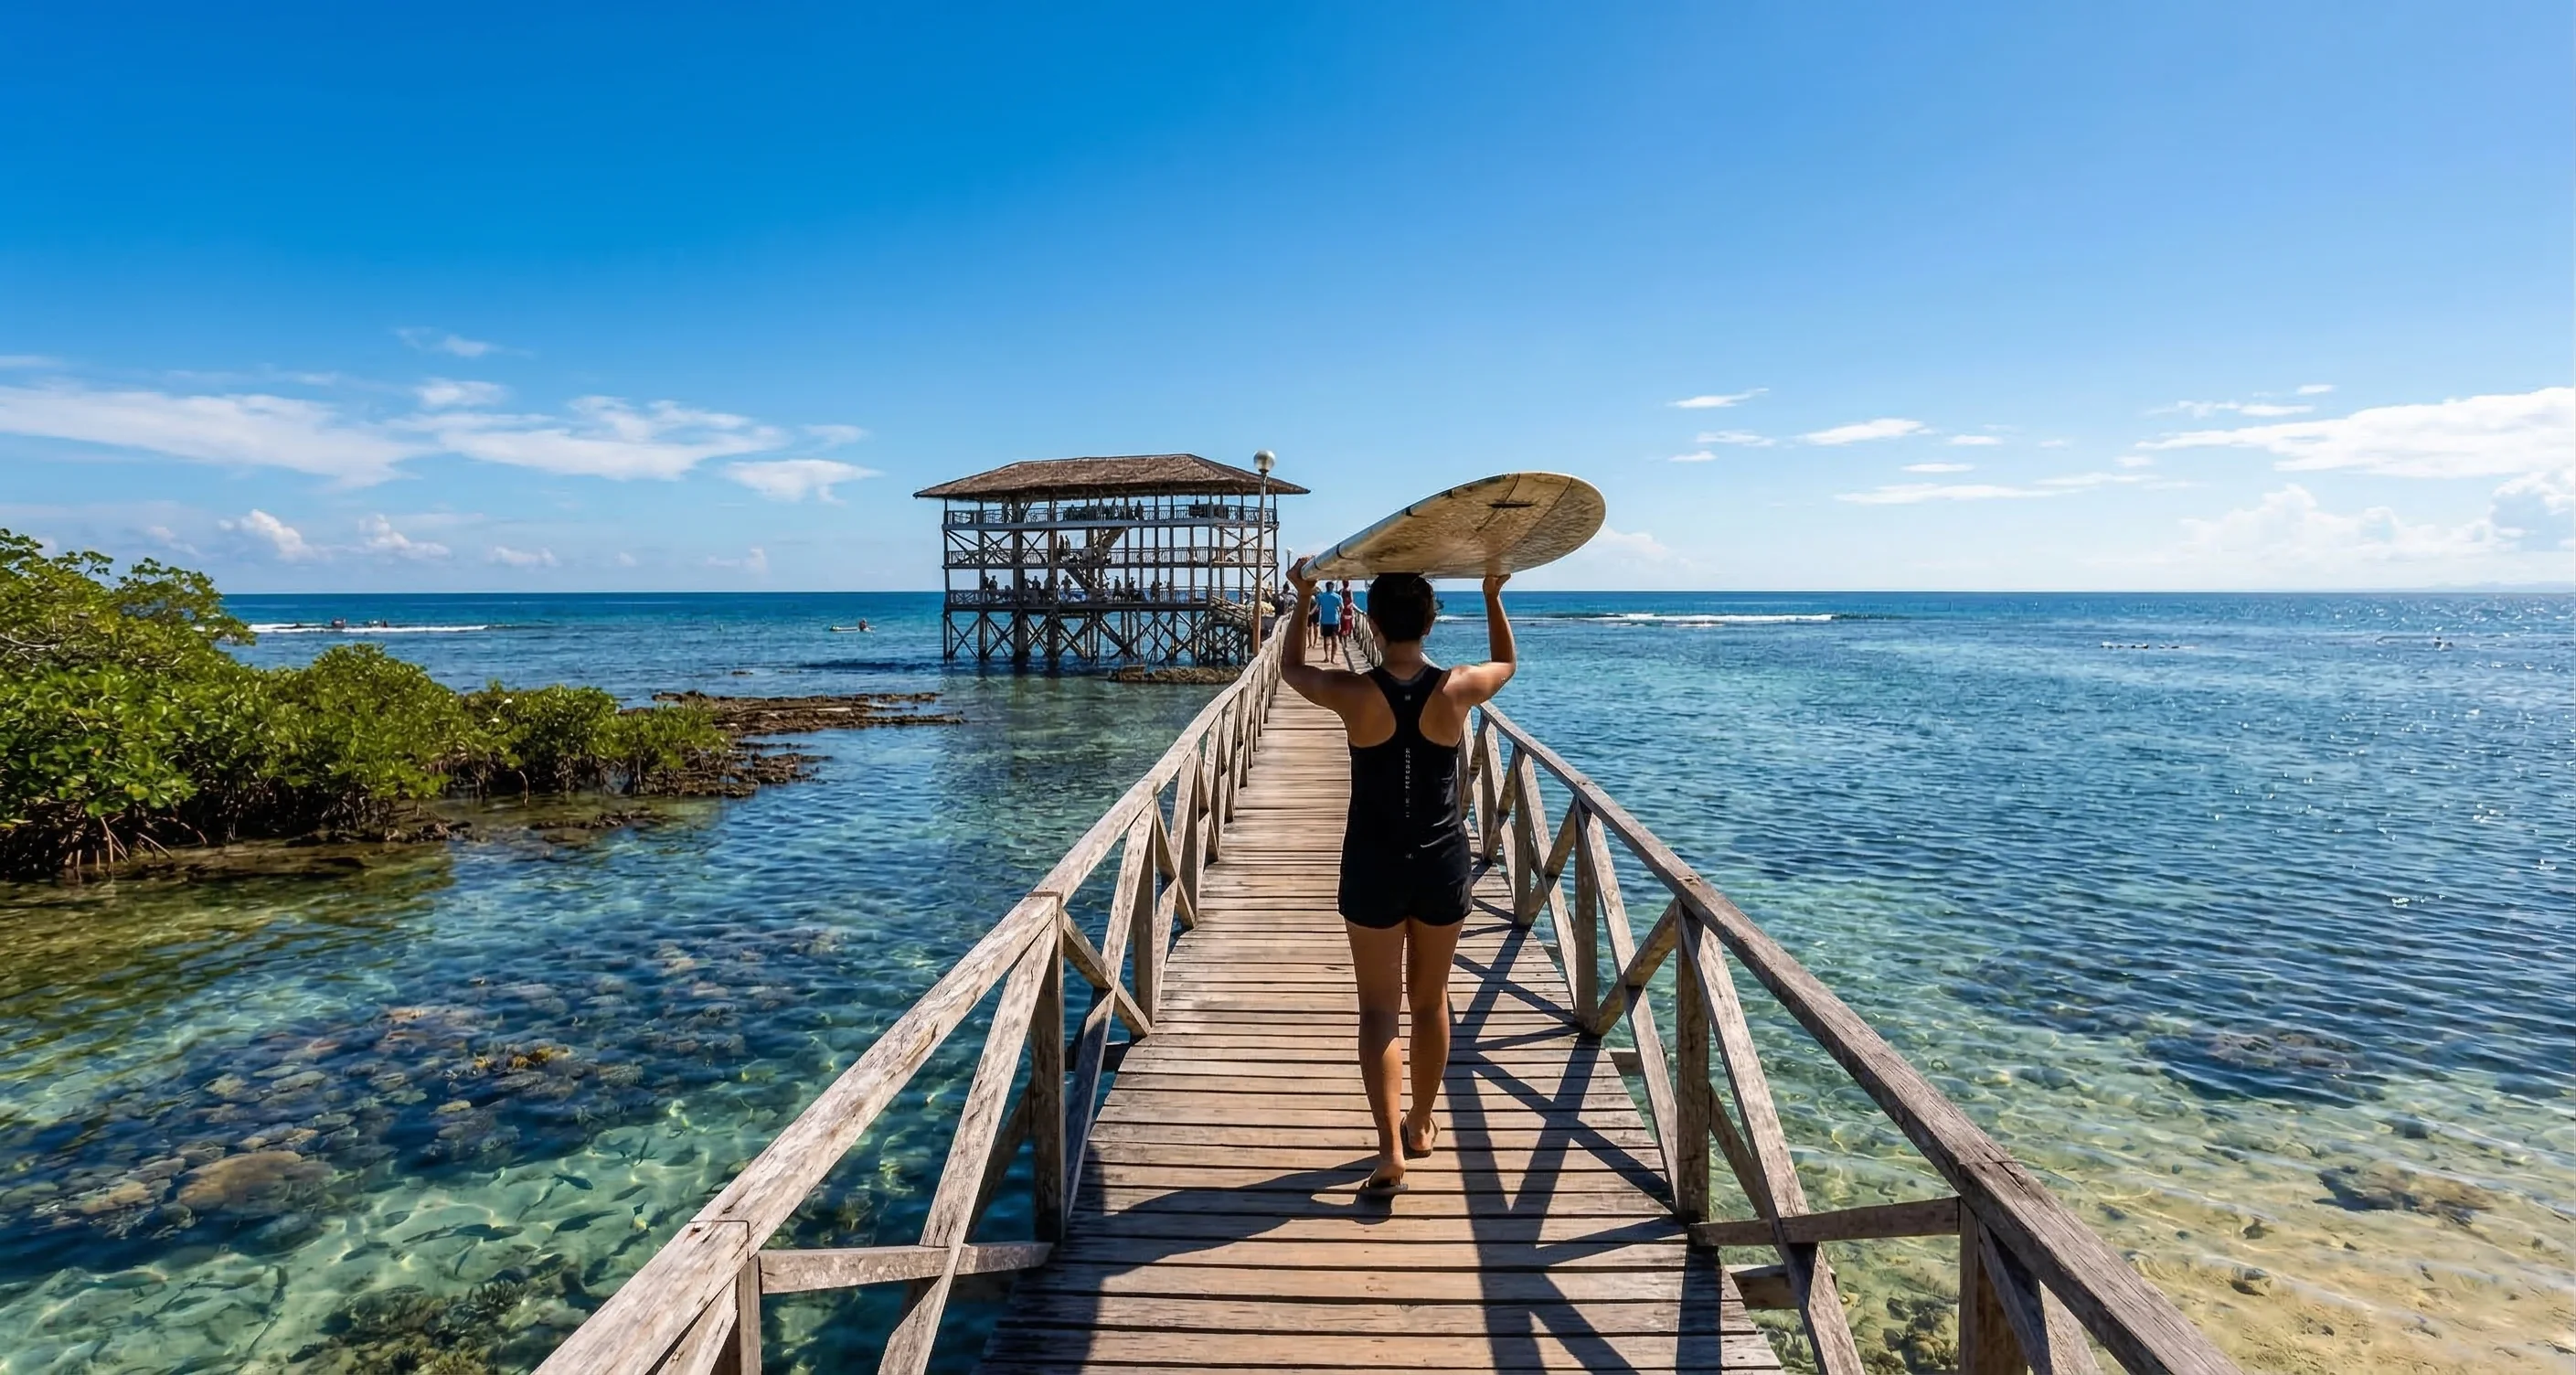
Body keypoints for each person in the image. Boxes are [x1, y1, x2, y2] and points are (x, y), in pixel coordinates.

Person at [1280, 564, 1516, 1192]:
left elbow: (1293, 672)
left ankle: (1389, 1151)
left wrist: (1304, 597)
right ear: (1432, 619)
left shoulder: (1356, 693)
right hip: (1441, 861)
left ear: (1373, 624)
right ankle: (1422, 1121)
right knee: (1431, 1000)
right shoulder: (1458, 687)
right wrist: (1493, 597)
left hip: (1373, 862)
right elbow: (1506, 664)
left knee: (1379, 1010)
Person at [1315, 581, 1344, 650]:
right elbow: (1342, 608)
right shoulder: (1337, 596)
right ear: (1333, 587)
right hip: (1333, 621)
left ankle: (1328, 657)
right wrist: (1339, 616)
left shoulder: (1321, 596)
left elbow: (1317, 607)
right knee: (1333, 640)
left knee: (1327, 640)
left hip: (1326, 621)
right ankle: (1331, 658)